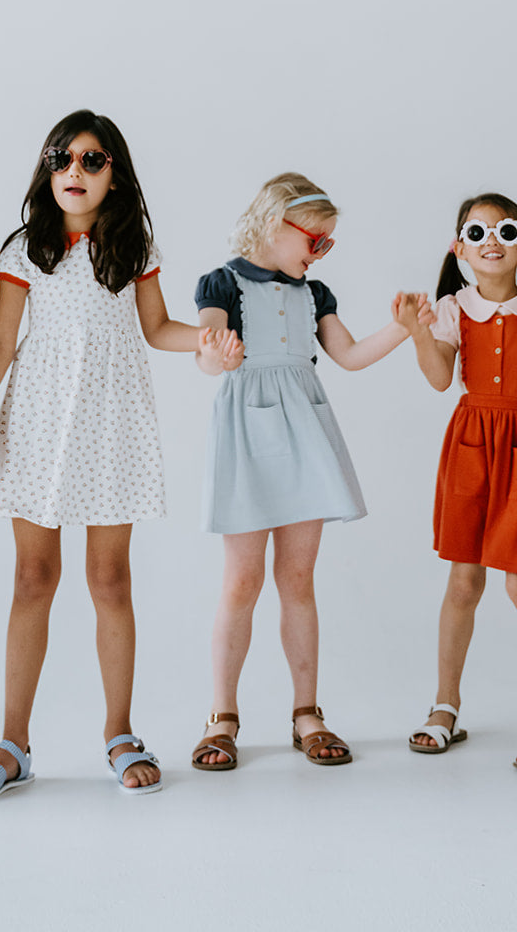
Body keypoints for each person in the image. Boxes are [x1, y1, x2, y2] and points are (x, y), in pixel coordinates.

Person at [0, 109, 240, 801]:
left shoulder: (131, 245)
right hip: (40, 424)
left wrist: (204, 343)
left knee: (110, 581)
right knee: (33, 577)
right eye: (61, 159)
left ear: (115, 174)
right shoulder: (26, 249)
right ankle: (11, 742)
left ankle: (119, 731)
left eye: (90, 160)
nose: (73, 172)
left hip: (111, 425)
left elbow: (156, 328)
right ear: (45, 172)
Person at [190, 173, 410, 773]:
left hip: (305, 433)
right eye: (314, 238)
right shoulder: (223, 281)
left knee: (298, 578)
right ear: (273, 221)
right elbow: (208, 354)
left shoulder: (315, 294)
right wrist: (217, 355)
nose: (318, 252)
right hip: (249, 434)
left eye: (327, 244)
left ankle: (307, 712)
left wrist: (403, 329)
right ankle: (222, 715)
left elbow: (349, 355)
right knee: (241, 582)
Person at [395, 192, 517, 773]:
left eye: (504, 232)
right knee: (463, 582)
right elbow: (439, 379)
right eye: (476, 235)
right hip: (472, 449)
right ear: (460, 249)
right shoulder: (454, 308)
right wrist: (415, 331)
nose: (491, 244)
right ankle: (444, 707)